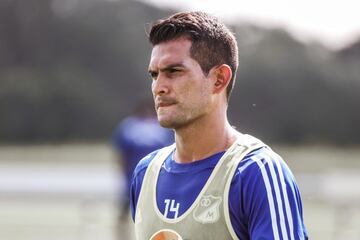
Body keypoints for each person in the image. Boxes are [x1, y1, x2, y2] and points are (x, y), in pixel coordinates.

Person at [130, 11, 308, 240]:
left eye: (173, 71)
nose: (158, 87)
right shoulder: (145, 173)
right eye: (154, 75)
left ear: (219, 79)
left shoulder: (255, 172)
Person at [112, 99, 174, 220]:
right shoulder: (129, 126)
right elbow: (121, 152)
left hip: (155, 176)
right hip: (134, 175)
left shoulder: (161, 126)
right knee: (128, 208)